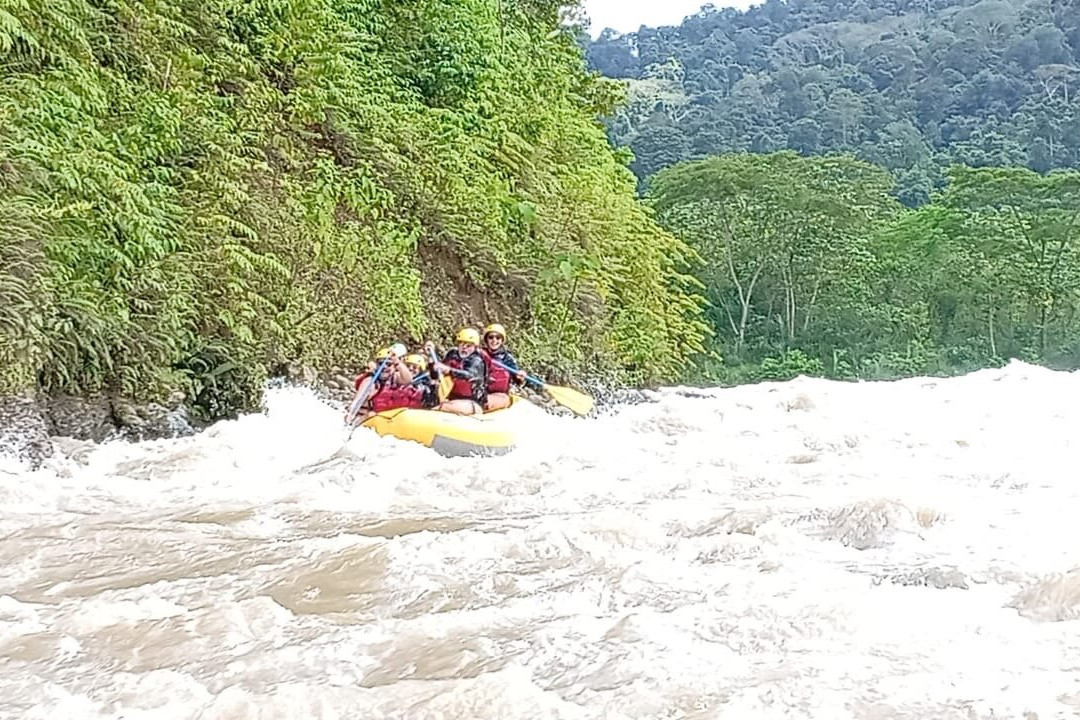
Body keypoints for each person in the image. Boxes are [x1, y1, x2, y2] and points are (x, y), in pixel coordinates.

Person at [344, 343, 413, 425]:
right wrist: (350, 416)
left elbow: (408, 380)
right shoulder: (371, 381)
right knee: (371, 414)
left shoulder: (394, 378)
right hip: (366, 417)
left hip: (384, 418)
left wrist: (397, 362)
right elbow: (357, 401)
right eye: (381, 363)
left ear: (394, 367)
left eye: (389, 364)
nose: (384, 367)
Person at [425, 328, 488, 415]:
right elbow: (435, 376)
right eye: (462, 344)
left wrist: (449, 370)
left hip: (472, 403)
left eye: (468, 346)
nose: (464, 348)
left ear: (475, 347)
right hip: (450, 399)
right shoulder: (452, 355)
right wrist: (431, 359)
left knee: (444, 407)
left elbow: (469, 375)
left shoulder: (477, 360)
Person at [481, 322, 526, 411]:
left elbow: (517, 380)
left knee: (484, 402)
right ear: (486, 339)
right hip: (480, 391)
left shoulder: (507, 358)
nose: (494, 340)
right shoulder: (479, 353)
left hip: (499, 395)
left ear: (502, 340)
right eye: (491, 337)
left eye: (498, 338)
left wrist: (520, 377)